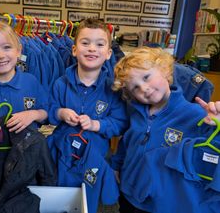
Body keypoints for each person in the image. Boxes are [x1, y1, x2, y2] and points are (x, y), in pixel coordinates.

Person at [110, 46, 220, 213]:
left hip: (163, 202)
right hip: (129, 194)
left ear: (164, 70)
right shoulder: (137, 113)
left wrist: (217, 125)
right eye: (135, 88)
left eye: (146, 77)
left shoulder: (195, 114)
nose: (144, 89)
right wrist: (116, 165)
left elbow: (212, 151)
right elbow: (127, 141)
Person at [47, 18, 128, 213]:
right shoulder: (60, 83)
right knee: (58, 199)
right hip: (62, 154)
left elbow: (120, 123)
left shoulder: (113, 89)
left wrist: (95, 124)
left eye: (99, 44)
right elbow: (47, 110)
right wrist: (60, 112)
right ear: (74, 50)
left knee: (87, 201)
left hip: (94, 157)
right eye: (85, 43)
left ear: (108, 54)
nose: (92, 48)